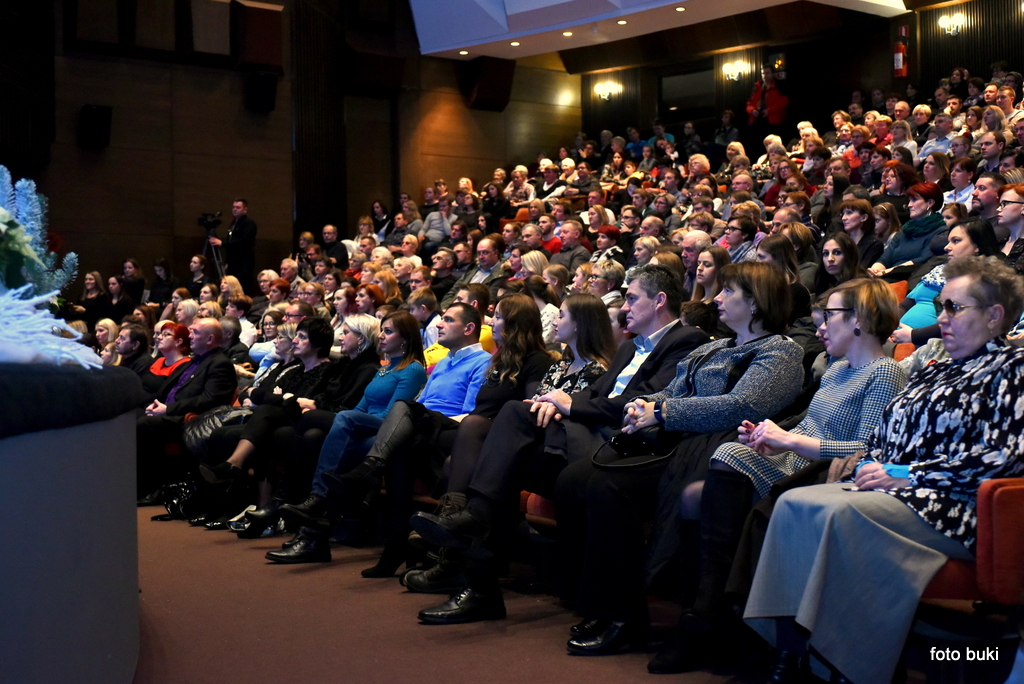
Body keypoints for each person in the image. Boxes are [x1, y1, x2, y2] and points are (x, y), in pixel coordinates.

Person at [744, 256, 1024, 684]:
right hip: (901, 491)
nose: (941, 318)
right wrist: (872, 462)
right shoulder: (936, 370)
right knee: (793, 503)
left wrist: (909, 475)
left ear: (995, 316)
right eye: (941, 306)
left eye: (954, 308)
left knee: (840, 514)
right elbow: (885, 435)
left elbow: (1004, 457)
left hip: (959, 504)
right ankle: (791, 650)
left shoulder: (1012, 369)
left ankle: (850, 668)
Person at [410, 265, 710, 624]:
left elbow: (643, 401)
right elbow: (598, 394)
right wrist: (557, 404)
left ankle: (472, 543)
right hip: (580, 438)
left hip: (618, 446)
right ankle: (479, 584)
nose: (625, 307)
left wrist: (569, 404)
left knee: (508, 423)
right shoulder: (630, 346)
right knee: (503, 450)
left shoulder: (687, 341)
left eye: (631, 298)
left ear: (660, 301)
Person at [649, 277, 907, 673]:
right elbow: (809, 428)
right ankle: (708, 613)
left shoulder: (884, 373)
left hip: (825, 473)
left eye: (830, 316)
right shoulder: (838, 370)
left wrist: (789, 442)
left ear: (859, 320)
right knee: (700, 490)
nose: (819, 326)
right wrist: (768, 440)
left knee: (723, 461)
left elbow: (866, 450)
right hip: (794, 460)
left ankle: (708, 618)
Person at [554, 262, 804, 657]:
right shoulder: (713, 347)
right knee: (576, 477)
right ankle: (598, 602)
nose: (716, 299)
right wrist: (644, 405)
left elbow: (743, 405)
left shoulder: (781, 352)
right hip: (676, 444)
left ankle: (624, 617)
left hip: (721, 451)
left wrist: (665, 413)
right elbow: (672, 390)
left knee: (608, 486)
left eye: (728, 293)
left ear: (755, 303)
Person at [402, 294, 615, 594]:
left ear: (580, 325)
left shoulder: (599, 372)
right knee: (467, 459)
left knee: (488, 436)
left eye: (562, 315)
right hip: (537, 445)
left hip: (565, 453)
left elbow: (558, 415)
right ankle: (457, 563)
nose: (555, 320)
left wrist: (556, 405)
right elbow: (537, 405)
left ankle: (454, 548)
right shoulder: (558, 367)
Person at [331, 294, 555, 578]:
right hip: (461, 433)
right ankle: (400, 542)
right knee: (403, 447)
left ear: (515, 323)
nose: (491, 321)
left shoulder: (535, 362)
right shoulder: (499, 361)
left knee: (406, 414)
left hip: (483, 437)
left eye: (497, 317)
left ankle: (435, 528)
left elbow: (525, 413)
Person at [270, 305, 490, 563]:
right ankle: (318, 528)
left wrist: (422, 419)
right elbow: (416, 404)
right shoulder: (441, 364)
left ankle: (312, 512)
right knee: (316, 437)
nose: (439, 325)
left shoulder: (480, 362)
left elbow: (469, 413)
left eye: (448, 320)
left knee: (335, 424)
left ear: (469, 328)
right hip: (412, 425)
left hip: (436, 429)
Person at [135, 318, 237, 503]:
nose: (190, 336)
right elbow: (166, 390)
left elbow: (210, 400)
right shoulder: (194, 361)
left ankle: (148, 488)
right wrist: (153, 404)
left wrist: (168, 409)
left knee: (144, 425)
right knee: (130, 415)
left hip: (190, 419)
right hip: (170, 412)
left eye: (195, 332)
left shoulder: (220, 363)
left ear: (210, 339)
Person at [890, 219, 1001, 345]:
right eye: (949, 241)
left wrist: (913, 335)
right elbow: (905, 305)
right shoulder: (939, 270)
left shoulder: (985, 279)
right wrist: (890, 329)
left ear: (977, 246)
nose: (946, 247)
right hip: (899, 338)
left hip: (936, 346)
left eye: (956, 241)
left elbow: (959, 320)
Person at [869, 182, 947, 278]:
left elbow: (922, 260)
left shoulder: (941, 232)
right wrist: (874, 270)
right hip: (889, 276)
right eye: (909, 200)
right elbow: (885, 258)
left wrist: (886, 272)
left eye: (914, 200)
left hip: (912, 279)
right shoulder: (905, 231)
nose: (909, 205)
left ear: (930, 203)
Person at [207, 199, 257, 294]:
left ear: (245, 209)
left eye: (238, 207)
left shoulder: (249, 224)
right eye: (233, 207)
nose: (235, 209)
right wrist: (227, 262)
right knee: (231, 288)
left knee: (243, 287)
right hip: (233, 262)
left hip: (243, 263)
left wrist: (222, 244)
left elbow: (244, 242)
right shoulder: (234, 223)